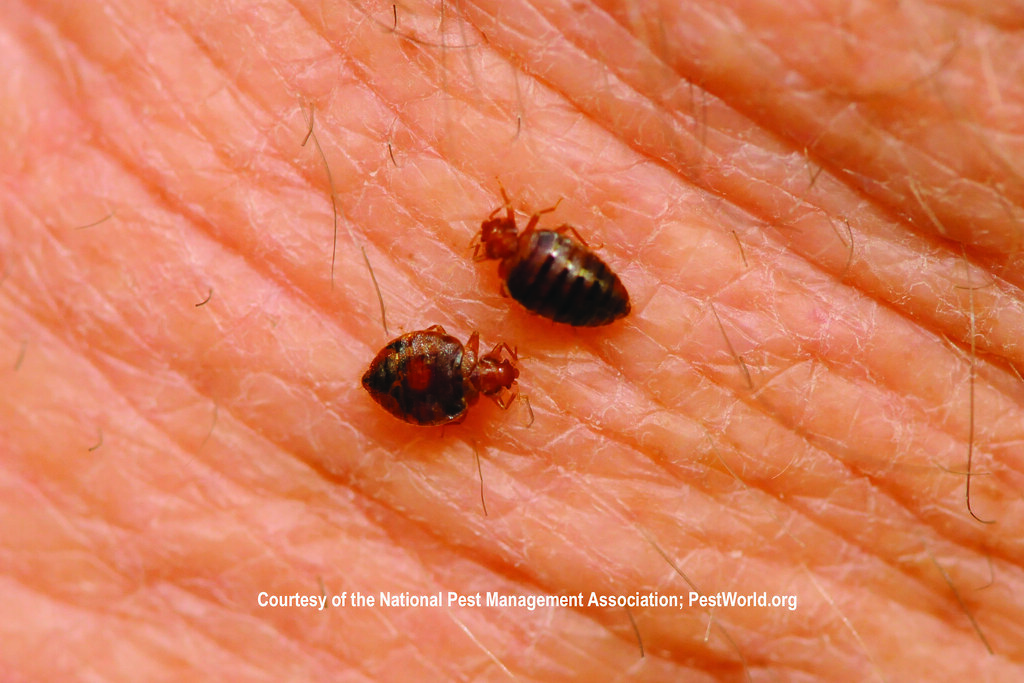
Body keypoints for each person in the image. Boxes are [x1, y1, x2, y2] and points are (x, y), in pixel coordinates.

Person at [3, 1, 1021, 679]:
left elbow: (455, 351)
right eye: (489, 367)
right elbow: (447, 359)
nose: (489, 367)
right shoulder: (462, 373)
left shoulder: (465, 367)